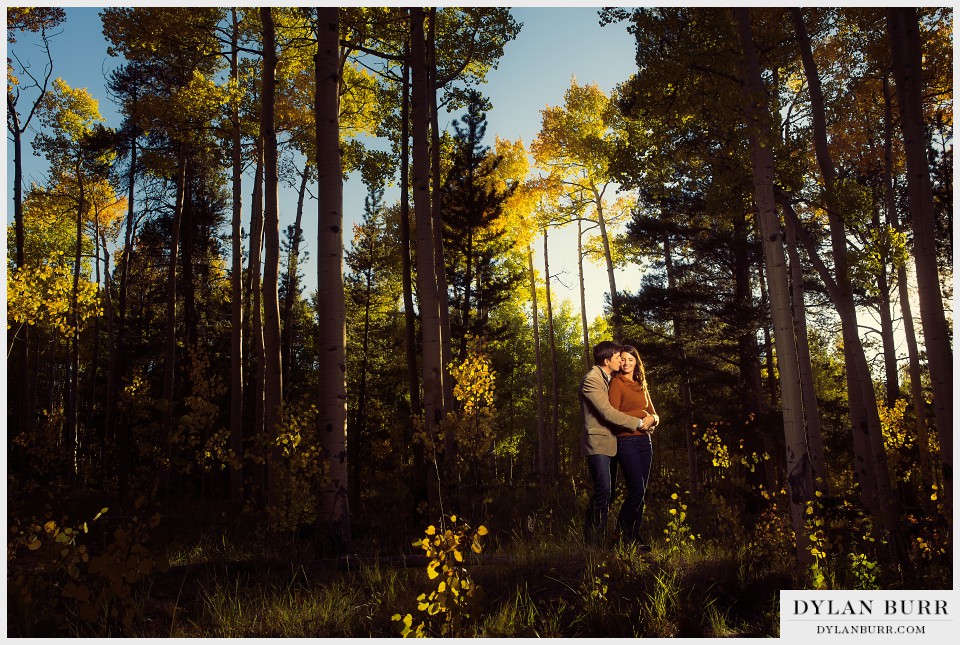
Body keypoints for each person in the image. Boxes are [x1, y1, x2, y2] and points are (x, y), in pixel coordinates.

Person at [579, 340, 649, 546]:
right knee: (603, 491)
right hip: (598, 443)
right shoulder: (592, 379)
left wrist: (650, 418)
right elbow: (607, 412)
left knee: (609, 494)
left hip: (612, 442)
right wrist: (638, 422)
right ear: (607, 360)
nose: (622, 361)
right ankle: (592, 542)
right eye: (619, 357)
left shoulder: (608, 377)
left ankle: (607, 539)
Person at [608, 345, 658, 549]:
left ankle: (633, 538)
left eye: (631, 359)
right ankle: (620, 536)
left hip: (645, 442)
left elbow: (654, 413)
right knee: (636, 490)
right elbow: (613, 415)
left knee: (642, 492)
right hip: (626, 441)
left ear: (636, 362)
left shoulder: (641, 384)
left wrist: (653, 418)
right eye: (624, 359)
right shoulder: (617, 383)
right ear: (619, 362)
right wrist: (641, 419)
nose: (627, 363)